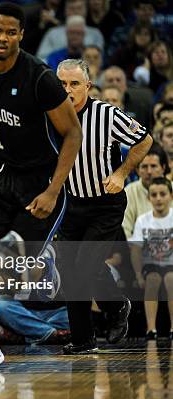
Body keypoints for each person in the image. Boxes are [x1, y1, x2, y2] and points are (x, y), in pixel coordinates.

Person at [0, 2, 82, 371]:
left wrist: (52, 191)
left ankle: (100, 300)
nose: (3, 37)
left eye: (11, 32)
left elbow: (73, 134)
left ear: (21, 36)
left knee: (8, 268)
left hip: (38, 184)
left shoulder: (39, 77)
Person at [56, 59, 153, 353]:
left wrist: (122, 174)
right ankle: (83, 339)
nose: (67, 90)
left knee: (85, 265)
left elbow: (144, 140)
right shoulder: (51, 115)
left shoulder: (106, 114)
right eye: (62, 84)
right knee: (70, 271)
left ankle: (117, 305)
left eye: (74, 84)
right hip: (70, 203)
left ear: (88, 86)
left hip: (104, 204)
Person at [130, 177, 173, 340]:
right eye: (154, 195)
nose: (159, 198)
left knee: (171, 279)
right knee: (153, 280)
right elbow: (136, 250)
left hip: (171, 264)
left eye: (163, 194)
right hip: (151, 265)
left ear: (171, 196)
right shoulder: (143, 220)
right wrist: (139, 275)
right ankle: (151, 329)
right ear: (149, 198)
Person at [122, 145, 171, 238]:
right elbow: (125, 231)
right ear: (137, 170)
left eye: (153, 166)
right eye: (144, 167)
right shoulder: (129, 192)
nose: (149, 171)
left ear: (163, 167)